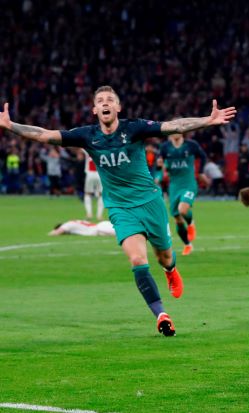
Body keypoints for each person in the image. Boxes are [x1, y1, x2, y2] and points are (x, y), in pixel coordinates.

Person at [0, 85, 236, 336]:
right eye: (100, 100)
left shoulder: (134, 128)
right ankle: (161, 315)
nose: (105, 103)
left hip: (150, 202)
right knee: (137, 259)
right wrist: (11, 125)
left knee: (164, 257)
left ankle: (170, 270)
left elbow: (174, 126)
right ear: (94, 109)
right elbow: (44, 135)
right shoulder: (87, 136)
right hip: (120, 207)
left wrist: (207, 120)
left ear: (118, 107)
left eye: (110, 100)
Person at [158, 132, 208, 256]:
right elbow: (160, 163)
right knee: (177, 219)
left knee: (183, 210)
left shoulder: (191, 145)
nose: (175, 132)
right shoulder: (165, 147)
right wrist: (159, 173)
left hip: (188, 183)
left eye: (177, 129)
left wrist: (201, 172)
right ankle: (187, 244)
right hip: (174, 186)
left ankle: (191, 224)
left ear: (182, 131)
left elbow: (203, 156)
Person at [83, 150, 104, 220]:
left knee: (87, 194)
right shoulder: (103, 149)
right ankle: (99, 215)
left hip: (90, 173)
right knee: (101, 195)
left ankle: (89, 214)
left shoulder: (88, 148)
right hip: (100, 174)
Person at [49, 219, 115, 236]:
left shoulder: (66, 225)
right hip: (102, 224)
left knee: (121, 233)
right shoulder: (72, 221)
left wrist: (50, 233)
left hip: (99, 229)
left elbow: (57, 233)